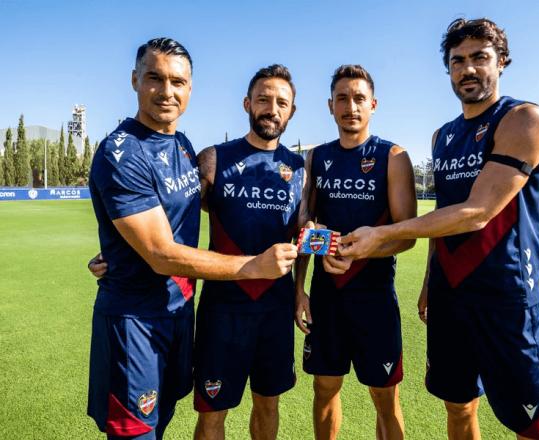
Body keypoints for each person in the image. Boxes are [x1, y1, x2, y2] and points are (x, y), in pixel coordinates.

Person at [340, 19, 539, 440]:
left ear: (502, 62)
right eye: (457, 61)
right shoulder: (444, 136)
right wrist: (429, 281)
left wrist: (384, 234)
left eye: (480, 57)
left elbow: (477, 212)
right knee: (458, 407)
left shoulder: (525, 119)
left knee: (535, 429)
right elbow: (443, 216)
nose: (467, 69)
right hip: (450, 295)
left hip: (507, 297)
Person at [87, 40, 296, 440]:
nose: (167, 91)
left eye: (177, 81)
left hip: (180, 312)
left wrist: (114, 248)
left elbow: (179, 215)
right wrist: (253, 266)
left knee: (162, 419)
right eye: (154, 78)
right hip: (136, 320)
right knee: (136, 434)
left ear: (190, 89)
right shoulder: (123, 152)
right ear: (135, 80)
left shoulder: (181, 145)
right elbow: (161, 253)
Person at [295, 65, 417, 440]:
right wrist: (299, 289)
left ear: (373, 104)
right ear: (330, 106)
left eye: (359, 98)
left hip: (375, 297)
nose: (351, 106)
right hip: (328, 297)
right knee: (324, 389)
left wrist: (367, 250)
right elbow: (306, 223)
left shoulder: (393, 156)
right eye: (343, 99)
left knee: (383, 394)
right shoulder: (315, 157)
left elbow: (408, 234)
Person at [192, 65, 303, 440]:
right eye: (263, 100)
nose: (272, 109)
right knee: (212, 412)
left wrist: (302, 288)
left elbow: (304, 235)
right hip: (223, 309)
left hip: (275, 308)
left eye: (281, 102)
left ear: (292, 111)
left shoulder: (300, 168)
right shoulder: (213, 159)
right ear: (247, 104)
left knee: (268, 403)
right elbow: (173, 220)